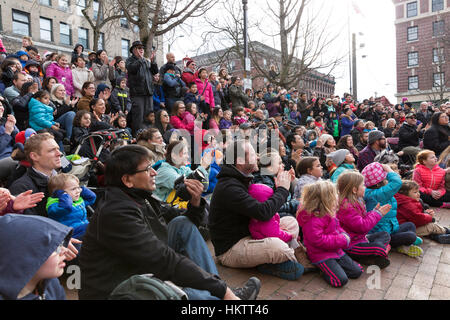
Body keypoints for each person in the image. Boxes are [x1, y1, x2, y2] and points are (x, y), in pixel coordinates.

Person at [78, 145, 260, 300]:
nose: (154, 172)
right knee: (178, 291)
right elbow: (163, 259)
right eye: (147, 169)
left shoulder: (140, 197)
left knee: (182, 223)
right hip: (116, 289)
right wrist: (222, 291)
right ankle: (222, 295)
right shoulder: (116, 213)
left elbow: (187, 221)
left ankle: (220, 292)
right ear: (127, 180)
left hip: (137, 270)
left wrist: (195, 202)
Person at [209, 139, 305, 280]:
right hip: (231, 249)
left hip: (250, 235)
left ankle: (279, 258)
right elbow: (263, 213)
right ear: (241, 160)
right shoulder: (229, 187)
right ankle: (274, 261)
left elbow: (261, 206)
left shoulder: (240, 178)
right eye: (254, 155)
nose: (259, 157)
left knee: (290, 222)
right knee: (278, 247)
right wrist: (282, 190)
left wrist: (279, 183)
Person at [296, 181, 363, 288]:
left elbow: (338, 227)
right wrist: (341, 239)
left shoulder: (328, 212)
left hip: (336, 250)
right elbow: (319, 240)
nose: (337, 196)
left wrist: (343, 234)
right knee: (340, 280)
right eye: (334, 194)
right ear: (325, 199)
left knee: (357, 272)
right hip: (320, 255)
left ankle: (332, 268)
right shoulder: (312, 220)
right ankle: (321, 269)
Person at [0, 214, 73, 300]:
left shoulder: (51, 285)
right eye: (54, 248)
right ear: (24, 257)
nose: (65, 250)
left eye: (61, 244)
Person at [362, 162, 423, 257]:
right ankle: (400, 246)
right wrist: (388, 169)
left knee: (410, 225)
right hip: (383, 234)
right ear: (379, 183)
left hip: (391, 228)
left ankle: (401, 244)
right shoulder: (377, 194)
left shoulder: (378, 192)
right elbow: (397, 182)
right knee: (411, 236)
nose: (388, 180)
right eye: (386, 178)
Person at [336, 171, 392, 268]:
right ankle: (373, 255)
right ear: (354, 189)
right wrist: (378, 214)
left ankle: (372, 255)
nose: (365, 188)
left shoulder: (357, 200)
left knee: (385, 234)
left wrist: (374, 212)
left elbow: (363, 219)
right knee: (379, 248)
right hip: (351, 245)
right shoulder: (346, 206)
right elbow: (362, 226)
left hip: (361, 238)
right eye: (363, 185)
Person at [9, 133, 62, 217]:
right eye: (52, 150)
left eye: (58, 149)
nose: (59, 153)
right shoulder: (22, 188)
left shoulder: (62, 179)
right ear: (34, 156)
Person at [126, 41, 159, 135]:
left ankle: (149, 135)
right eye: (139, 48)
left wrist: (153, 62)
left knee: (149, 116)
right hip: (137, 94)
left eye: (142, 48)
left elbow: (155, 71)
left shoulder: (146, 61)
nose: (141, 50)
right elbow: (132, 69)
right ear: (133, 50)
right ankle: (139, 136)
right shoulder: (130, 60)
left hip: (148, 92)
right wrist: (140, 60)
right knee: (139, 117)